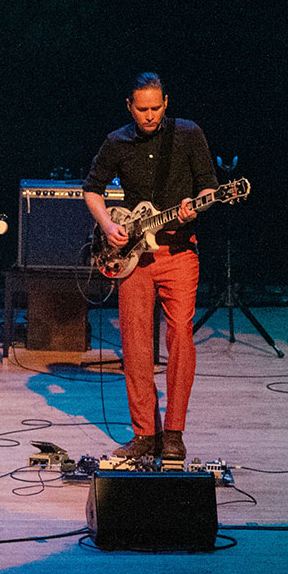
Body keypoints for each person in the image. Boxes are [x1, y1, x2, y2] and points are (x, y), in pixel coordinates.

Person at [82, 72, 217, 461]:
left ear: (166, 103)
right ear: (130, 107)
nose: (150, 116)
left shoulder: (189, 134)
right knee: (136, 345)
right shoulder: (117, 141)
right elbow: (91, 188)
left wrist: (203, 201)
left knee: (180, 337)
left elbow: (208, 185)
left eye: (156, 108)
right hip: (135, 256)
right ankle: (145, 433)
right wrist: (108, 225)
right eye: (142, 109)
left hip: (179, 252)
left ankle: (173, 432)